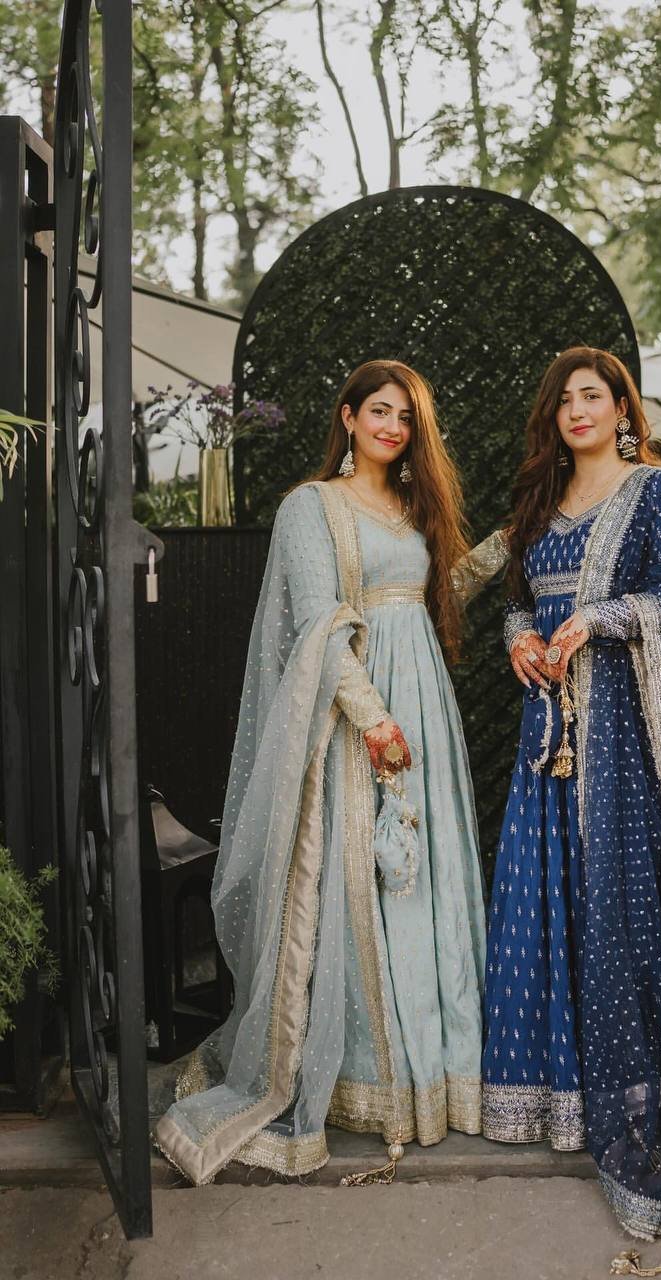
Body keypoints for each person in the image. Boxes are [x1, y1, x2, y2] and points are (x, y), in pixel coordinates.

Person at [156, 360, 507, 1185]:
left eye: (406, 418)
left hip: (427, 707)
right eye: (379, 411)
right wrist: (373, 717)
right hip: (359, 718)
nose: (393, 427)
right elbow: (319, 622)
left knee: (427, 876)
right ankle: (368, 1079)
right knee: (365, 880)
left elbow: (435, 595)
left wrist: (507, 543)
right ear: (348, 417)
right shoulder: (311, 507)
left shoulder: (413, 508)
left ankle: (441, 1074)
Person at [481, 346, 661, 1253]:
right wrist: (520, 637)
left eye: (592, 395)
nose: (578, 410)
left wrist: (605, 618)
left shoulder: (656, 494)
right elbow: (517, 597)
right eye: (564, 399)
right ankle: (552, 1097)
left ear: (621, 409)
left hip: (627, 752)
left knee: (620, 908)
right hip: (548, 743)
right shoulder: (540, 504)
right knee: (542, 904)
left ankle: (639, 1090)